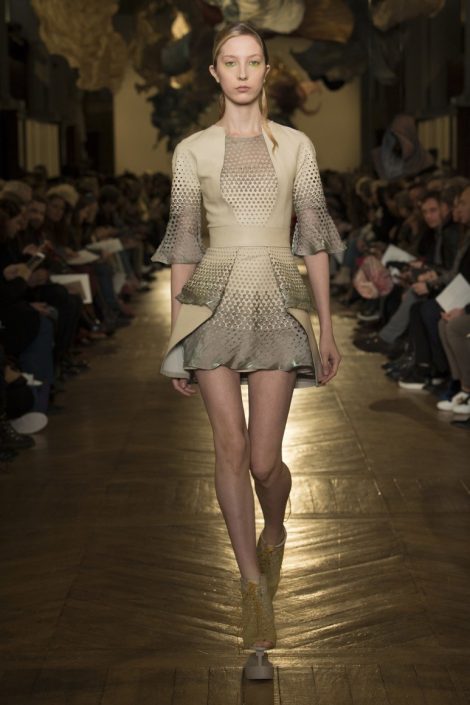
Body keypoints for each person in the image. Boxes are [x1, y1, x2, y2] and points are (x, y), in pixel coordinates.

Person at [151, 21, 345, 679]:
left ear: (267, 70)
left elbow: (313, 240)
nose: (241, 73)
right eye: (230, 62)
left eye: (253, 61)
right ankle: (254, 597)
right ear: (214, 72)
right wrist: (176, 336)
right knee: (229, 449)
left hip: (276, 302)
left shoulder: (297, 145)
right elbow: (184, 245)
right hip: (212, 304)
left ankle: (278, 524)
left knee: (264, 461)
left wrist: (326, 327)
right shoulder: (191, 151)